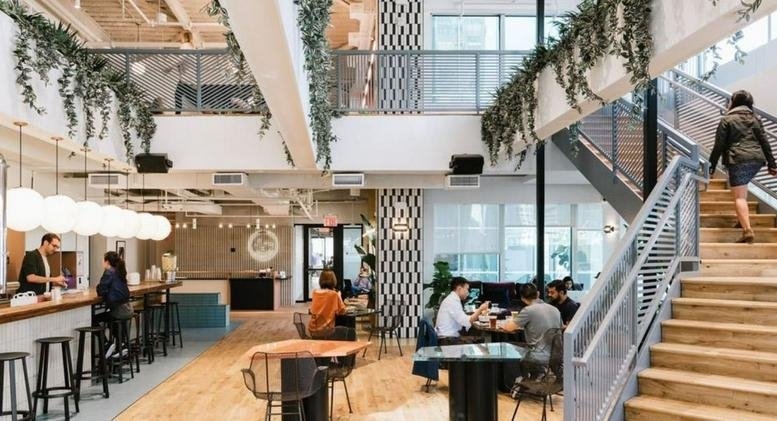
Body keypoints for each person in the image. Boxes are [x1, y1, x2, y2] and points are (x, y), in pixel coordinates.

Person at [709, 90, 777, 243]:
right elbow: (765, 142)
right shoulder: (755, 119)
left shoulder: (727, 119)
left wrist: (711, 167)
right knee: (742, 188)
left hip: (738, 159)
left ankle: (747, 231)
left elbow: (718, 145)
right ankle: (742, 220)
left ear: (733, 102)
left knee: (739, 197)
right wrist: (772, 164)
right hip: (756, 160)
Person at [503, 283, 562, 383]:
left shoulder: (528, 310)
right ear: (538, 294)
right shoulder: (555, 309)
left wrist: (505, 324)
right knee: (522, 345)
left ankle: (517, 382)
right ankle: (535, 376)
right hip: (556, 354)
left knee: (508, 347)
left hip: (537, 354)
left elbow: (508, 328)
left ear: (522, 298)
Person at [96, 251, 133, 358]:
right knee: (111, 319)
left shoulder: (108, 272)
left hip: (119, 310)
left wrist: (100, 287)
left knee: (94, 319)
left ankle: (107, 344)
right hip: (128, 308)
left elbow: (101, 291)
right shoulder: (120, 271)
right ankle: (122, 345)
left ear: (107, 262)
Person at [435, 277, 490, 345]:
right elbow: (467, 321)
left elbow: (464, 319)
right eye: (467, 289)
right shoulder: (452, 301)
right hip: (447, 340)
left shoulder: (452, 299)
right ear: (459, 288)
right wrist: (480, 309)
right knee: (479, 340)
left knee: (478, 336)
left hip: (448, 337)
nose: (468, 292)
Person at [308, 269, 346, 337]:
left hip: (312, 329)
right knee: (348, 331)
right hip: (327, 331)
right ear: (333, 280)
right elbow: (342, 311)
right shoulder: (334, 294)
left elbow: (312, 310)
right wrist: (339, 296)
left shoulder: (315, 292)